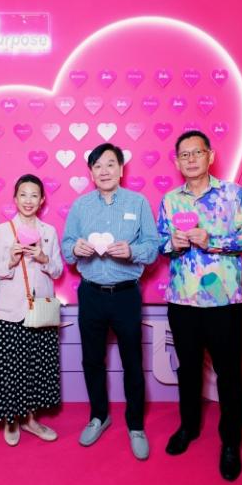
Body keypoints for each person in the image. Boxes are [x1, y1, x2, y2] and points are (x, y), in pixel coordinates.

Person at [157, 131, 242, 481]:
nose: (190, 159)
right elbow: (160, 244)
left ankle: (230, 442)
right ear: (177, 161)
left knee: (229, 372)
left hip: (224, 301)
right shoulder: (170, 200)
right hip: (182, 300)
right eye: (183, 155)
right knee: (187, 368)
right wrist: (172, 242)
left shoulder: (232, 194)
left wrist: (212, 240)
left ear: (210, 155)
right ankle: (188, 427)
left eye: (196, 152)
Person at [61, 143, 161, 460]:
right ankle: (99, 416)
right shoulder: (80, 206)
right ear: (90, 172)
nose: (104, 171)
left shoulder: (138, 202)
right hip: (90, 293)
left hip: (126, 294)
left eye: (110, 164)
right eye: (97, 166)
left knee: (133, 361)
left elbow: (153, 246)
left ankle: (135, 425)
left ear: (121, 168)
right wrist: (76, 248)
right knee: (92, 360)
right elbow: (65, 248)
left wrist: (132, 251)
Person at [0, 174, 63, 445]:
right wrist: (10, 260)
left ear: (42, 200)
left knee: (34, 367)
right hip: (9, 310)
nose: (28, 200)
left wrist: (43, 258)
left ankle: (30, 419)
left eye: (34, 195)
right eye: (23, 195)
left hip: (39, 310)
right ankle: (11, 420)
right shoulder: (3, 231)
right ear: (15, 198)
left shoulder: (48, 232)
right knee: (9, 368)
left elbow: (58, 270)